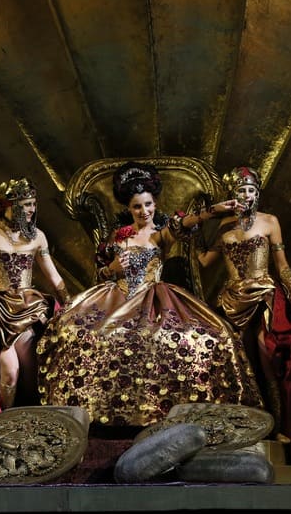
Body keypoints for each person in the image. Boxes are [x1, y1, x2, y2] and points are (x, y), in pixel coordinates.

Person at [36, 161, 263, 427]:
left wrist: (214, 211)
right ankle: (89, 415)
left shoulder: (161, 235)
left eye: (148, 205)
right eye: (137, 206)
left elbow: (187, 222)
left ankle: (178, 411)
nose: (144, 211)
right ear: (128, 208)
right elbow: (101, 275)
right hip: (115, 299)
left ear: (155, 204)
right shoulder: (117, 237)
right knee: (72, 329)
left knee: (205, 334)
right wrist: (112, 268)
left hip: (153, 300)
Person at [196, 166, 291, 463]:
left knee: (266, 358)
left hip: (262, 296)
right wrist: (194, 230)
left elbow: (282, 263)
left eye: (251, 191)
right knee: (234, 364)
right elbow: (205, 262)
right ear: (232, 196)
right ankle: (240, 426)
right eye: (241, 191)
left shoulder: (270, 222)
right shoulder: (223, 227)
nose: (246, 195)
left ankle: (276, 425)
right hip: (231, 301)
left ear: (257, 194)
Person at [0, 177, 70, 418]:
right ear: (9, 205)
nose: (32, 210)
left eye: (33, 204)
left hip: (28, 306)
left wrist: (70, 303)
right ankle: (1, 421)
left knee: (32, 370)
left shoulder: (38, 237)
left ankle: (27, 419)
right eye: (26, 205)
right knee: (9, 370)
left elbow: (53, 276)